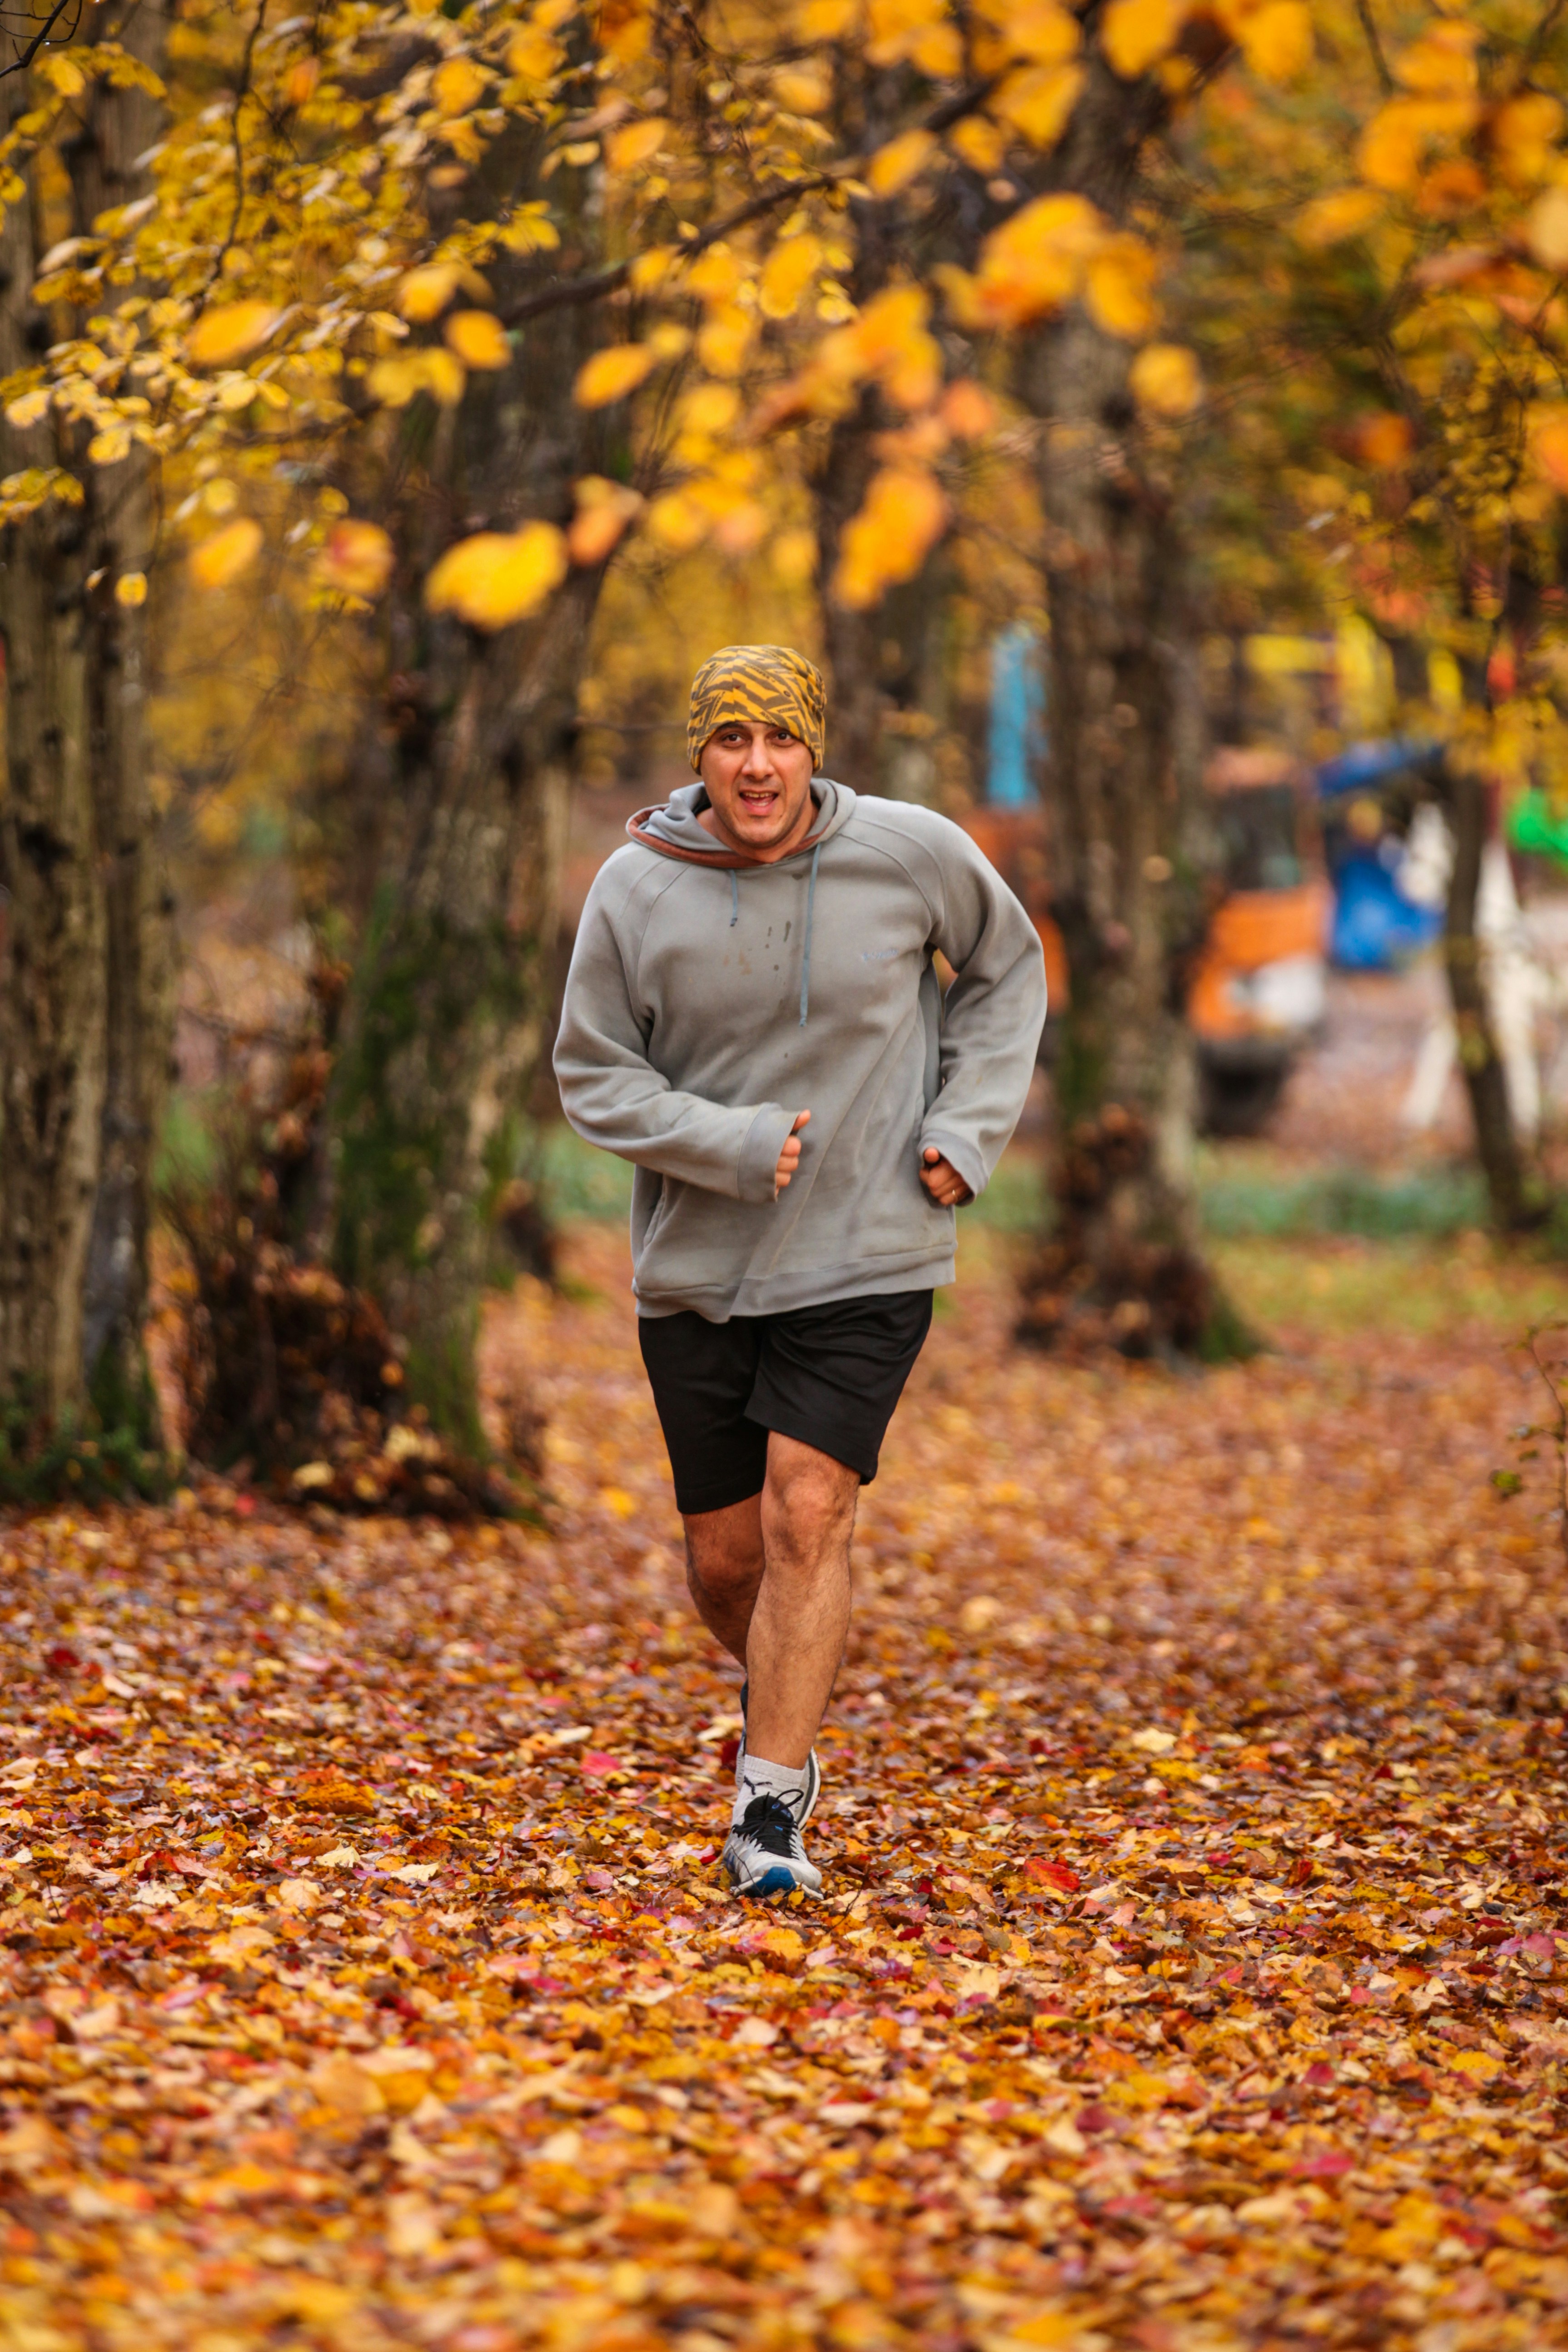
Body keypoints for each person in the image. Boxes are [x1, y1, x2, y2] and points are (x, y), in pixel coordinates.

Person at [554, 645, 1046, 1896]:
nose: (756, 765)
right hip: (700, 1264)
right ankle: (791, 1685)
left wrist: (965, 1128)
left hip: (869, 1242)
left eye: (779, 739)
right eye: (731, 741)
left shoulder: (911, 851)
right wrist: (725, 1142)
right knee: (728, 1561)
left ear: (814, 747)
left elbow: (1006, 969)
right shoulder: (634, 886)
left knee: (807, 1507)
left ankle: (767, 1812)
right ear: (699, 755)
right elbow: (592, 1073)